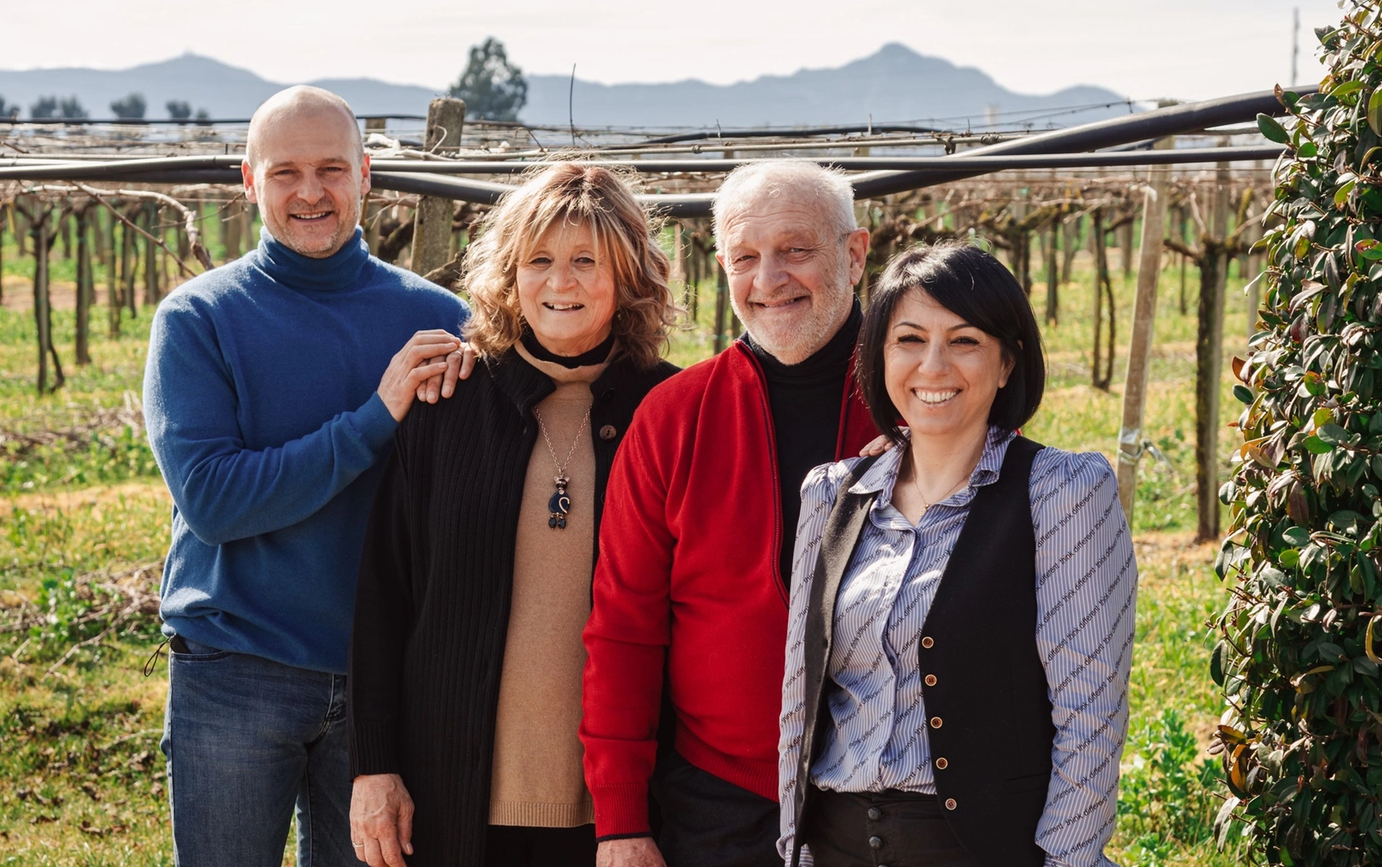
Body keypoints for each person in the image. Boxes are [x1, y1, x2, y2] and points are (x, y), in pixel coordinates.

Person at [143, 85, 472, 867]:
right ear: (250, 183)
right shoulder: (198, 320)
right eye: (285, 172)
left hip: (382, 685)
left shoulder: (442, 322)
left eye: (331, 168)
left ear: (366, 174)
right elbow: (216, 501)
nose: (311, 191)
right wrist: (374, 417)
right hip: (236, 670)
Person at [346, 164, 682, 867]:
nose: (561, 282)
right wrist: (373, 765)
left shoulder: (673, 411)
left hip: (624, 814)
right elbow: (384, 597)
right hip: (453, 800)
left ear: (628, 275)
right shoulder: (448, 403)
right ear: (510, 274)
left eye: (586, 260)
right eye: (540, 260)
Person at [777, 242, 1137, 867]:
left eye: (965, 340)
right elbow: (800, 699)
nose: (933, 365)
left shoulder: (1062, 491)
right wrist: (796, 850)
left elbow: (1090, 711)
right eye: (909, 339)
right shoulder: (832, 494)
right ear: (879, 359)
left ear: (1006, 363)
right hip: (836, 845)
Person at [580, 160, 881, 867]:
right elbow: (624, 626)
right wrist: (621, 818)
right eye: (746, 257)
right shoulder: (673, 418)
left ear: (856, 254)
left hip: (895, 795)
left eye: (796, 250)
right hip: (720, 802)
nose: (769, 278)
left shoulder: (923, 402)